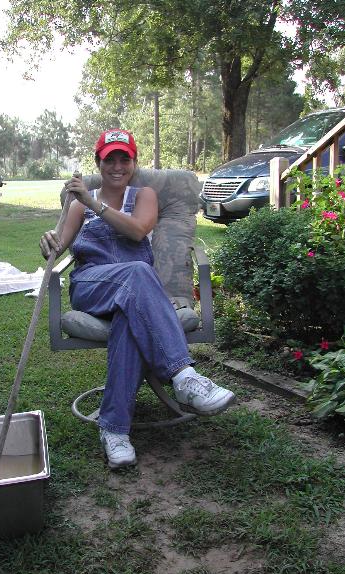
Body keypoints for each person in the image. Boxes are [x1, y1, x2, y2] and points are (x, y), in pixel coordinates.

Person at [40, 129, 235, 469]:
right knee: (139, 272)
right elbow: (58, 246)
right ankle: (183, 376)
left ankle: (114, 430)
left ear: (134, 162)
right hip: (92, 286)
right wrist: (49, 241)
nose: (117, 166)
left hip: (134, 295)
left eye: (124, 159)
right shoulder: (79, 203)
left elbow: (137, 230)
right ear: (98, 163)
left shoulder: (144, 195)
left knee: (129, 320)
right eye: (110, 159)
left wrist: (94, 204)